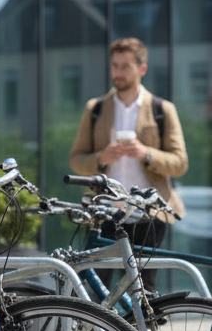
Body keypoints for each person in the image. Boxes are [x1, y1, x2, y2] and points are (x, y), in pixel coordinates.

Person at [68, 36, 188, 292]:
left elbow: (180, 163)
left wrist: (145, 154)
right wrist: (101, 158)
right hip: (105, 213)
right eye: (115, 66)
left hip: (149, 214)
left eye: (125, 66)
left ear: (141, 69)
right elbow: (76, 161)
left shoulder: (162, 109)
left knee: (145, 295)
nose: (118, 73)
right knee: (96, 291)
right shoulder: (96, 109)